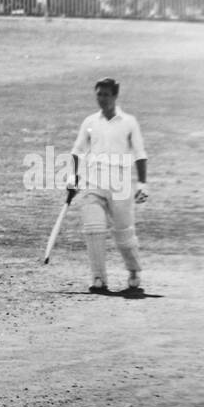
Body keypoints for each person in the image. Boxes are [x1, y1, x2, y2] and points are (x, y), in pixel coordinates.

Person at [66, 78, 149, 296]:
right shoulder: (90, 121)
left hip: (120, 184)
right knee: (93, 230)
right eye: (98, 94)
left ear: (114, 96)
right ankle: (98, 278)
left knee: (124, 235)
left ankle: (133, 271)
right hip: (93, 182)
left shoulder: (129, 122)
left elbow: (140, 154)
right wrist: (73, 178)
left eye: (105, 94)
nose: (101, 99)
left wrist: (142, 183)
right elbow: (77, 151)